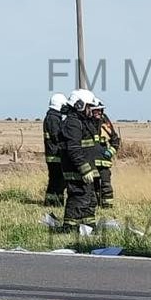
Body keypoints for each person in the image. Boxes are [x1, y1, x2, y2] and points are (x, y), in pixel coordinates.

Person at [60, 89, 101, 231]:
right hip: (76, 170)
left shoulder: (81, 122)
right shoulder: (72, 123)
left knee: (90, 200)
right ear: (80, 105)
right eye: (89, 106)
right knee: (79, 198)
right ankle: (69, 228)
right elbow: (73, 149)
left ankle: (88, 227)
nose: (91, 110)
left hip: (85, 169)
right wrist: (84, 168)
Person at [92, 98, 121, 209]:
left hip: (104, 161)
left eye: (100, 110)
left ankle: (107, 207)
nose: (98, 112)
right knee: (93, 185)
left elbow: (115, 139)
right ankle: (94, 205)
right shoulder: (86, 122)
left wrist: (111, 151)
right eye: (96, 110)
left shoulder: (104, 121)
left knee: (106, 185)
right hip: (91, 161)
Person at [42, 93, 68, 207]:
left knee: (54, 180)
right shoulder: (53, 118)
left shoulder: (52, 117)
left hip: (53, 154)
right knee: (58, 181)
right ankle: (55, 203)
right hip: (55, 155)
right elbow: (56, 136)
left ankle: (52, 202)